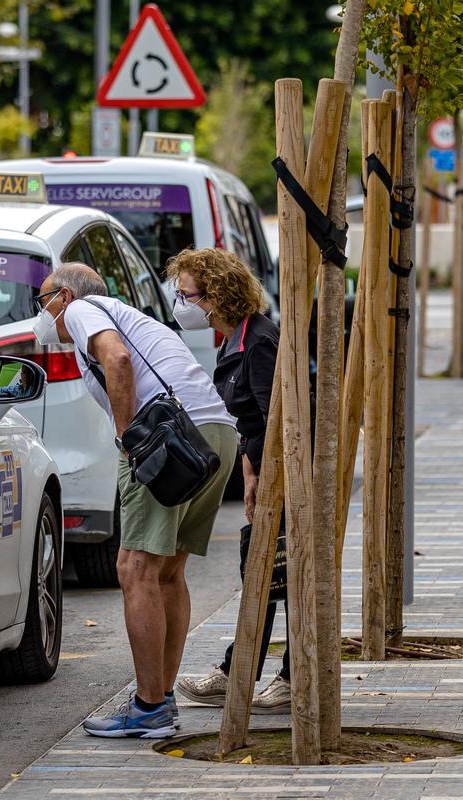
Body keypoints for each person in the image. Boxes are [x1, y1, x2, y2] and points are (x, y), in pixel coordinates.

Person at [33, 263, 238, 738]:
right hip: (214, 435)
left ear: (63, 296)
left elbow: (118, 361)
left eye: (42, 301)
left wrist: (129, 439)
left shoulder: (83, 309)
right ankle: (159, 699)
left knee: (135, 568)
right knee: (166, 571)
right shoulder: (125, 313)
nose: (41, 314)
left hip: (168, 438)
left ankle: (149, 707)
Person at [167, 248, 292, 715]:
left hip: (286, 477)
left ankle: (286, 677)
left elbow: (276, 419)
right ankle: (238, 669)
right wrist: (248, 464)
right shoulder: (233, 338)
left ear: (217, 295)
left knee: (279, 573)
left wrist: (259, 473)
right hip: (264, 470)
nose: (182, 304)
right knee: (262, 572)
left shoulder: (258, 340)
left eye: (188, 295)